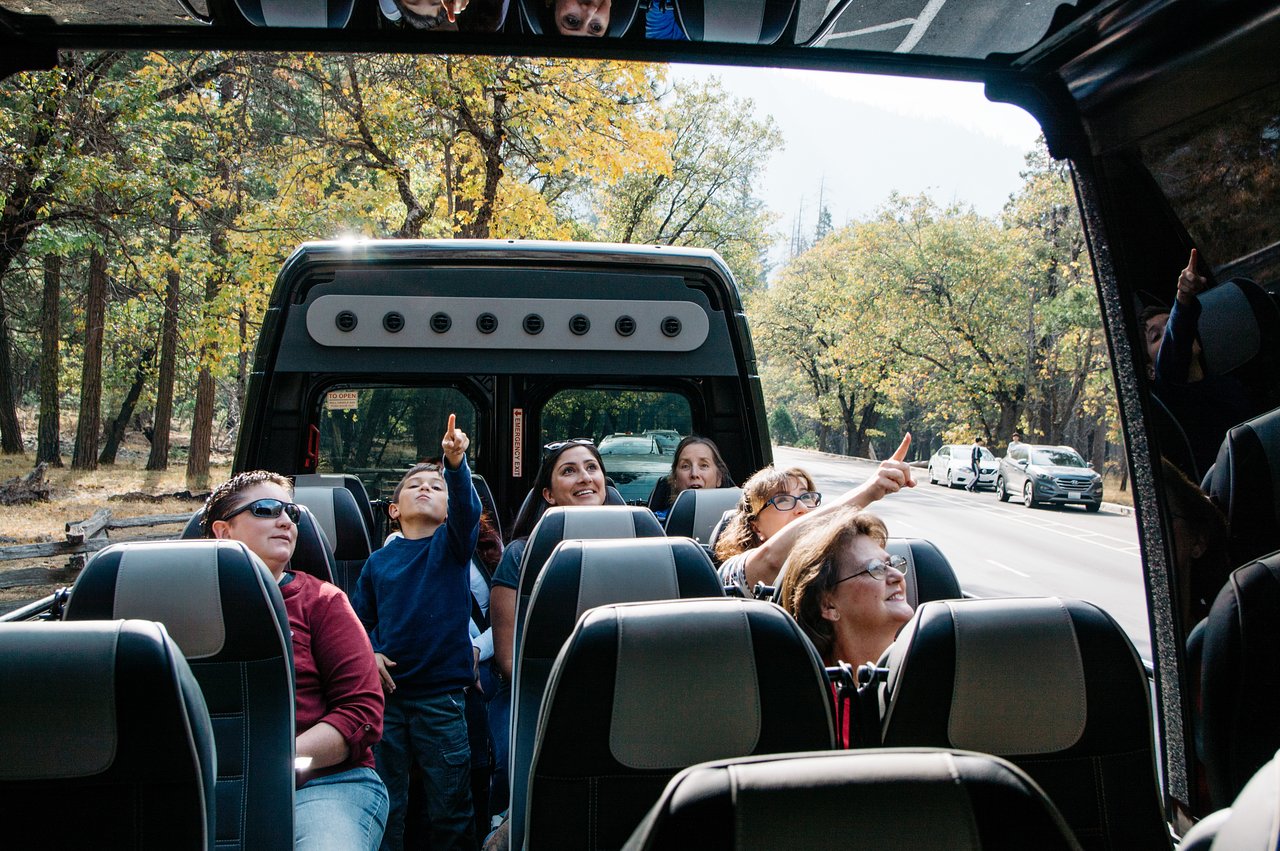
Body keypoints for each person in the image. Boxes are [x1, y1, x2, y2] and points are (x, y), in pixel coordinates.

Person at [204, 471, 388, 851]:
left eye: (291, 512)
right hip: (199, 785)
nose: (286, 520)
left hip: (323, 782)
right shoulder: (181, 606)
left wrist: (274, 765)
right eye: (266, 509)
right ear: (223, 531)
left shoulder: (323, 601)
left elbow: (361, 713)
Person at [353, 415, 483, 851]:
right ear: (393, 510)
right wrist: (370, 653)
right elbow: (358, 622)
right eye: (414, 486)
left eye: (437, 487)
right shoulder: (377, 564)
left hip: (442, 699)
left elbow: (468, 512)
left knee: (449, 804)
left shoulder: (450, 548)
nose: (426, 488)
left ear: (448, 510)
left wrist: (455, 463)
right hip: (386, 700)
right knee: (388, 801)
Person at [486, 438, 609, 830]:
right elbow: (507, 661)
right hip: (535, 692)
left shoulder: (643, 543)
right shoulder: (521, 555)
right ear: (548, 494)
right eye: (568, 471)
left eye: (591, 467)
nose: (584, 477)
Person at [778, 505, 913, 747]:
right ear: (828, 605)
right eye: (876, 569)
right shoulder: (807, 704)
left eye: (891, 563)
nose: (896, 576)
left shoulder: (925, 674)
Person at [714, 434, 915, 597]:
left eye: (807, 497)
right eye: (783, 500)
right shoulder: (733, 572)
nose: (802, 507)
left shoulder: (835, 570)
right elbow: (771, 559)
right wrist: (871, 490)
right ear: (756, 526)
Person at [1143, 249, 1258, 478]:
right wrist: (1183, 299)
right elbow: (1175, 345)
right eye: (1156, 337)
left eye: (1169, 323)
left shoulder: (1230, 385)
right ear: (1150, 371)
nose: (1167, 333)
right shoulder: (1172, 398)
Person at [650, 435, 735, 522]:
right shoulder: (656, 525)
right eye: (685, 466)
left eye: (704, 465)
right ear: (674, 479)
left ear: (719, 478)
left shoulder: (736, 524)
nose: (694, 474)